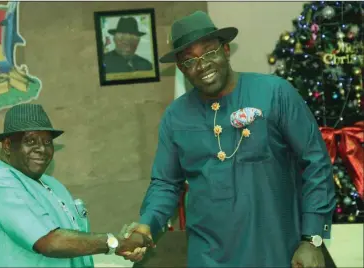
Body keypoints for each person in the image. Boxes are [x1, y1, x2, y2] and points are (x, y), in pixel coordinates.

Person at [121, 11, 336, 267]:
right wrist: (147, 224)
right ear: (181, 68)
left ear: (225, 50)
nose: (202, 65)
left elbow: (316, 163)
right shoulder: (175, 117)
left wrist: (311, 240)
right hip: (208, 257)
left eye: (209, 52)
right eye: (189, 60)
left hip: (276, 252)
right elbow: (166, 184)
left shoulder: (275, 93)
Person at [0, 104, 152, 267]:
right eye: (30, 141)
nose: (41, 149)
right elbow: (51, 242)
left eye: (47, 142)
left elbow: (75, 242)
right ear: (7, 145)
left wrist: (122, 246)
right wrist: (115, 243)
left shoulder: (51, 184)